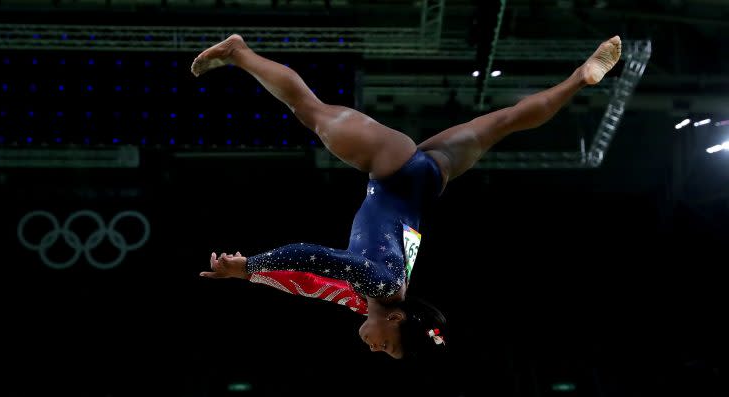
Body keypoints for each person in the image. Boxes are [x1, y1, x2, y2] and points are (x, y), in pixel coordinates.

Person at [193, 33, 622, 359]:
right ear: (397, 319)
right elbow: (315, 257)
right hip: (392, 168)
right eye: (388, 347)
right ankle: (238, 52)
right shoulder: (382, 284)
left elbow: (310, 284)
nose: (375, 349)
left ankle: (579, 79)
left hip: (429, 180)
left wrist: (248, 275)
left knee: (505, 121)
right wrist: (252, 264)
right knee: (309, 109)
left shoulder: (380, 293)